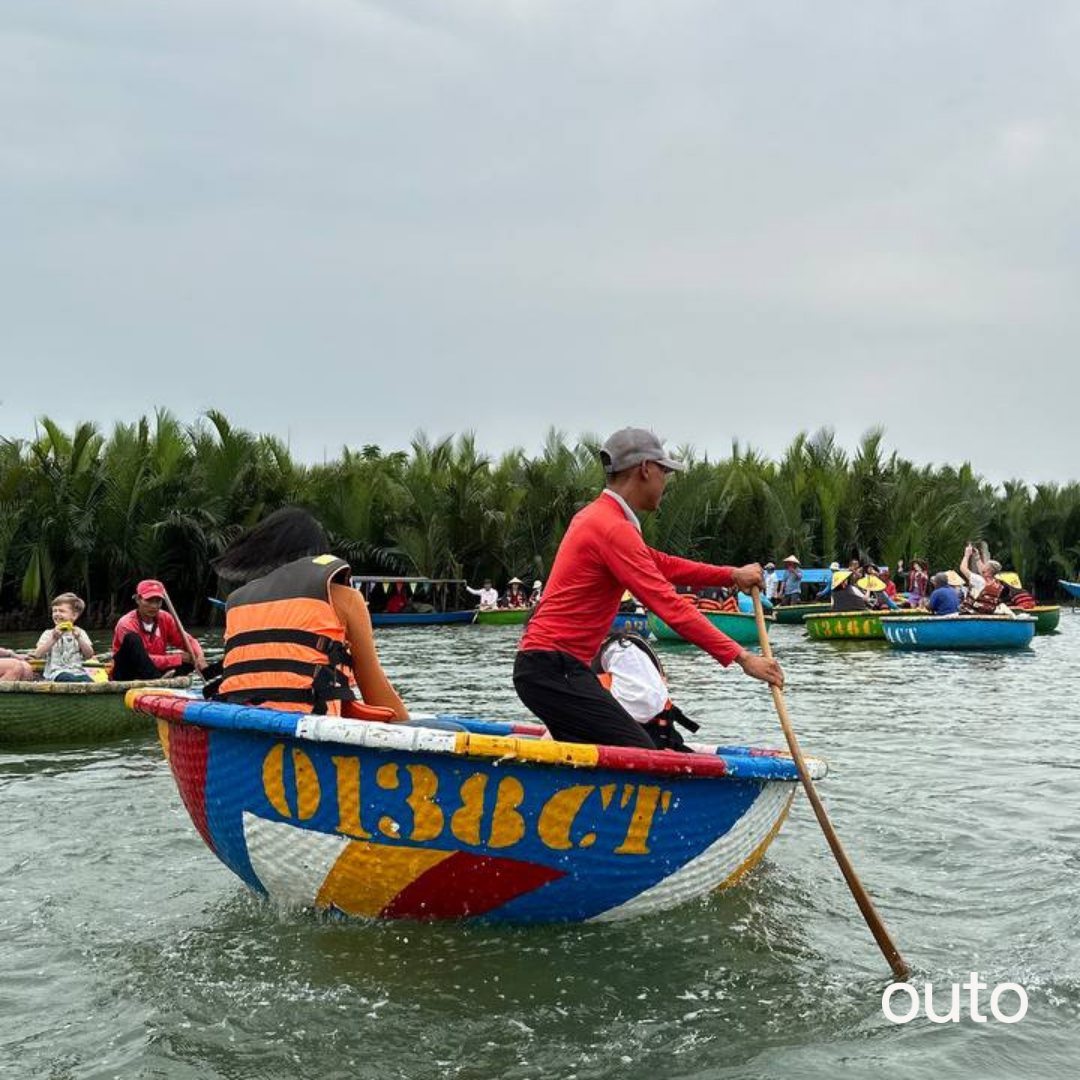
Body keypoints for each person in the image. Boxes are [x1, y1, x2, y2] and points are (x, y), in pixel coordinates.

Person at [514, 427, 783, 749]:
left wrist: (730, 575)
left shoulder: (602, 518)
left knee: (611, 750)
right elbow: (667, 604)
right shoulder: (612, 527)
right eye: (665, 471)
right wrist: (743, 658)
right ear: (645, 469)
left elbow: (659, 563)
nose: (665, 482)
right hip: (553, 668)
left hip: (551, 667)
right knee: (641, 754)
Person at [212, 507, 407, 718]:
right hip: (312, 729)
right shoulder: (345, 598)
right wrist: (409, 725)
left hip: (240, 725)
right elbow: (376, 693)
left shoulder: (237, 603)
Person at [111, 580, 207, 681]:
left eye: (158, 601)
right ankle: (158, 680)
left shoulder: (165, 618)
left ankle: (161, 679)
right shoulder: (126, 623)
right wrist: (177, 658)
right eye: (149, 600)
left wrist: (199, 656)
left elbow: (188, 640)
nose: (154, 606)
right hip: (128, 671)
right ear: (138, 599)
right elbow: (141, 659)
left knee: (190, 659)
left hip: (155, 669)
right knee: (132, 638)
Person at [29, 592, 94, 682]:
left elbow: (89, 655)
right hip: (55, 674)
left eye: (61, 611)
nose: (57, 614)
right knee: (67, 678)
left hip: (78, 672)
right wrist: (53, 639)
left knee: (89, 681)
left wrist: (79, 638)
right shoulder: (48, 634)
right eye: (54, 611)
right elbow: (37, 655)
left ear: (74, 615)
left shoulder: (80, 633)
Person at [959, 544, 1012, 615]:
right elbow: (983, 571)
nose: (983, 566)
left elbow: (963, 568)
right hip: (985, 613)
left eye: (985, 565)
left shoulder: (979, 581)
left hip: (971, 612)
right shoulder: (996, 583)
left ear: (988, 570)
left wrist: (966, 555)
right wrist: (977, 557)